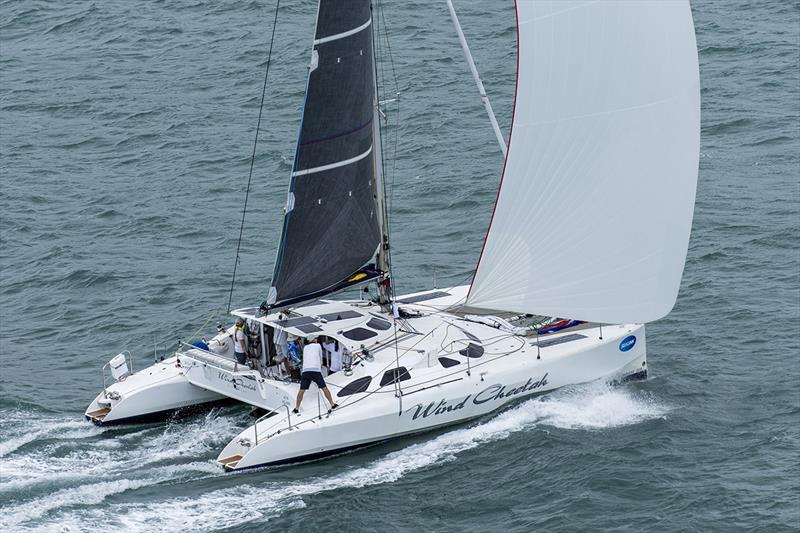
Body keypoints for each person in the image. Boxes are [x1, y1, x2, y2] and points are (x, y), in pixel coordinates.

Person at [293, 336, 338, 414]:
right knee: (324, 388)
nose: (317, 339)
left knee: (301, 390)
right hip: (315, 370)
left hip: (305, 371)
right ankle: (332, 404)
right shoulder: (318, 346)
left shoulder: (305, 348)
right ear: (313, 340)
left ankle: (296, 408)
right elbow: (320, 360)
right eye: (315, 338)